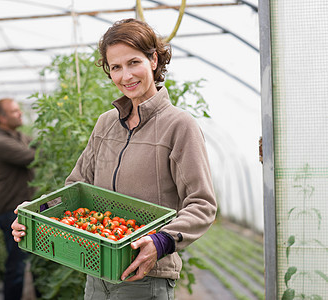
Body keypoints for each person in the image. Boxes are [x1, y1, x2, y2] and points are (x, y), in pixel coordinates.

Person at [12, 18, 217, 299]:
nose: (126, 76)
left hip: (145, 275)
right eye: (116, 67)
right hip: (97, 271)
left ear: (153, 60)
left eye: (134, 62)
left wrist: (161, 241)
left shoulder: (179, 126)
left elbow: (202, 203)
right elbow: (75, 187)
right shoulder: (106, 123)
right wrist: (37, 213)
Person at [0, 98, 37, 300]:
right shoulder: (2, 143)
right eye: (14, 111)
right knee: (17, 266)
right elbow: (32, 155)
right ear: (2, 117)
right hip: (11, 211)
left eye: (19, 110)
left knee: (32, 261)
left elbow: (36, 144)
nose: (20, 113)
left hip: (22, 209)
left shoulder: (19, 136)